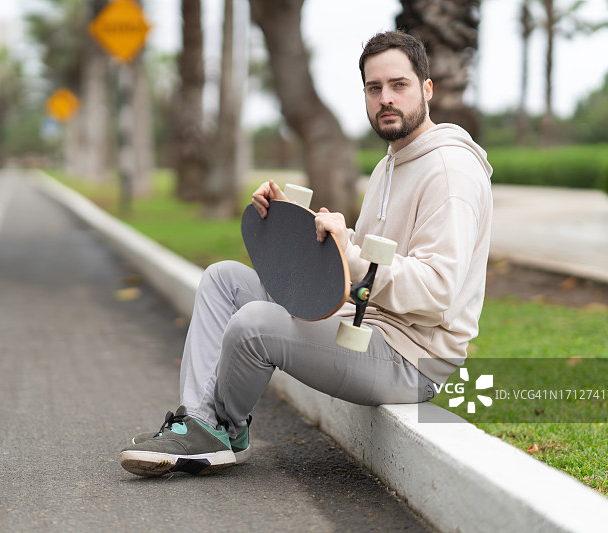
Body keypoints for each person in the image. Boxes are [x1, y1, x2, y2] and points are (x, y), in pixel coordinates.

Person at [119, 30, 493, 477]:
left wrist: (349, 254)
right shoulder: (391, 162)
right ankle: (202, 425)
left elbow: (437, 290)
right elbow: (369, 254)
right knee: (222, 278)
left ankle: (223, 428)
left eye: (399, 85)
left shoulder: (449, 170)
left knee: (255, 324)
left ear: (427, 89)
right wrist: (288, 221)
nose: (386, 99)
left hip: (411, 357)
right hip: (363, 323)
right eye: (374, 89)